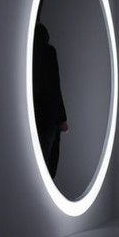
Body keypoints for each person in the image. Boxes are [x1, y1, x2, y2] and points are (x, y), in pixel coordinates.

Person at [33, 22, 68, 179]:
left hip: (40, 114)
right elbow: (55, 85)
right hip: (48, 116)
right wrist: (62, 118)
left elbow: (54, 85)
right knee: (46, 164)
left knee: (41, 164)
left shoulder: (29, 53)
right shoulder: (48, 52)